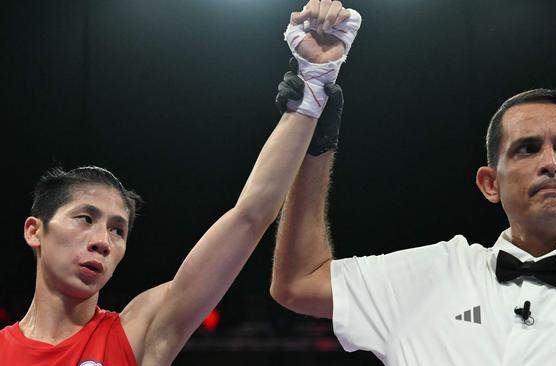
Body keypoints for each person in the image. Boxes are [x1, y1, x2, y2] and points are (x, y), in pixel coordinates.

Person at [0, 2, 361, 365]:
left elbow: (250, 216)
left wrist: (314, 80)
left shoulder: (138, 332)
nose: (102, 242)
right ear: (35, 231)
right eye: (85, 218)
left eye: (118, 231)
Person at [270, 84, 556, 363]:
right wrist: (315, 143)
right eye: (527, 148)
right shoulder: (429, 276)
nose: (552, 162)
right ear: (490, 184)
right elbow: (299, 282)